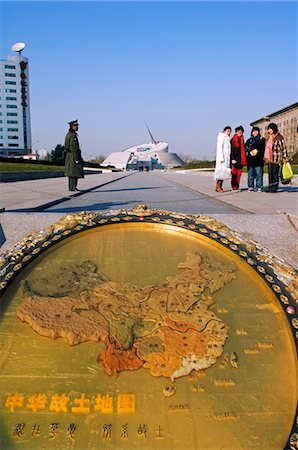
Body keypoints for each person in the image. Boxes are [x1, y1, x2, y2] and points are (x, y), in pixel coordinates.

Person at [264, 123, 289, 193]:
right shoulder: (268, 137)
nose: (269, 130)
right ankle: (270, 186)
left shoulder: (279, 137)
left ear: (274, 129)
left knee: (275, 174)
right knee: (270, 174)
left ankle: (274, 187)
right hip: (269, 159)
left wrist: (285, 157)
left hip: (276, 158)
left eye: (270, 129)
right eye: (268, 129)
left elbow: (283, 148)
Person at [64, 119, 84, 191]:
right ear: (72, 126)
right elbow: (74, 147)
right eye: (75, 126)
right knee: (74, 172)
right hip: (73, 155)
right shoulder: (73, 136)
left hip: (70, 155)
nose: (77, 127)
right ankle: (73, 187)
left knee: (72, 172)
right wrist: (76, 158)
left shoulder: (68, 134)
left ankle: (72, 187)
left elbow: (66, 146)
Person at [245, 126, 265, 192]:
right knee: (250, 174)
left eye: (256, 131)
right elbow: (245, 148)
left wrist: (258, 153)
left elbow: (263, 150)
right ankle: (250, 186)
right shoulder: (249, 140)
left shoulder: (262, 140)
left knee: (258, 174)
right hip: (250, 160)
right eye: (254, 131)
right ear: (252, 132)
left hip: (258, 160)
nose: (255, 132)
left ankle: (259, 186)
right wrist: (249, 150)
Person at [214, 126, 232, 192]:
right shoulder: (221, 137)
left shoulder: (227, 138)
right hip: (222, 159)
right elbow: (219, 149)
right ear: (224, 131)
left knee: (224, 173)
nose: (229, 132)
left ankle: (219, 186)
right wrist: (221, 159)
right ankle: (218, 186)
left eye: (230, 131)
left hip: (226, 158)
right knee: (220, 173)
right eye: (228, 131)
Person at [230, 126, 247, 191]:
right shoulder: (233, 140)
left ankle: (237, 186)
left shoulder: (242, 139)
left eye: (241, 131)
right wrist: (232, 158)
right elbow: (231, 150)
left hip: (241, 160)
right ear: (236, 132)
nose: (240, 132)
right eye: (238, 131)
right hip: (235, 159)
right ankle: (233, 186)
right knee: (234, 174)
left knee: (239, 174)